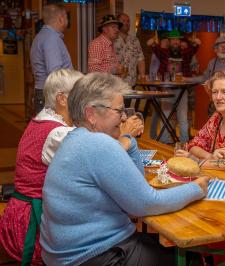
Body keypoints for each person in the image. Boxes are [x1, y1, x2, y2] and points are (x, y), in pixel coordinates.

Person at [39, 72, 209, 266]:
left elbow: (137, 186)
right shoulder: (99, 144)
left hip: (66, 254)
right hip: (92, 256)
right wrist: (196, 189)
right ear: (91, 114)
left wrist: (129, 140)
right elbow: (145, 204)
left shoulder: (75, 138)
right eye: (119, 111)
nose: (124, 118)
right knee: (191, 257)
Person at [0, 69, 83, 265]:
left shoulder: (42, 120)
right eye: (80, 95)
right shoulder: (58, 133)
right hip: (35, 223)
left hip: (21, 213)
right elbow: (93, 165)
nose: (85, 101)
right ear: (62, 99)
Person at [147, 30, 201, 143]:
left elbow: (194, 48)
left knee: (183, 118)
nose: (176, 41)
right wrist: (151, 42)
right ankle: (164, 141)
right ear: (169, 41)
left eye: (177, 39)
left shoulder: (186, 53)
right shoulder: (163, 52)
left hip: (182, 91)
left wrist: (197, 42)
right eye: (173, 39)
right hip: (167, 90)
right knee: (165, 117)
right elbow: (152, 46)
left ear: (180, 41)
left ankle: (184, 143)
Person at [30, 4, 72, 114]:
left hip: (44, 93)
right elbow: (55, 73)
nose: (67, 20)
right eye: (67, 17)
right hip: (52, 95)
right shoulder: (51, 38)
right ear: (61, 18)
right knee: (54, 130)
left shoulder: (42, 36)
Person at [114, 13, 146, 85]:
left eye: (128, 21)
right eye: (123, 21)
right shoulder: (112, 39)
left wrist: (142, 76)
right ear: (117, 23)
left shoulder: (135, 40)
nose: (126, 23)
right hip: (115, 84)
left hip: (131, 83)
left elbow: (140, 59)